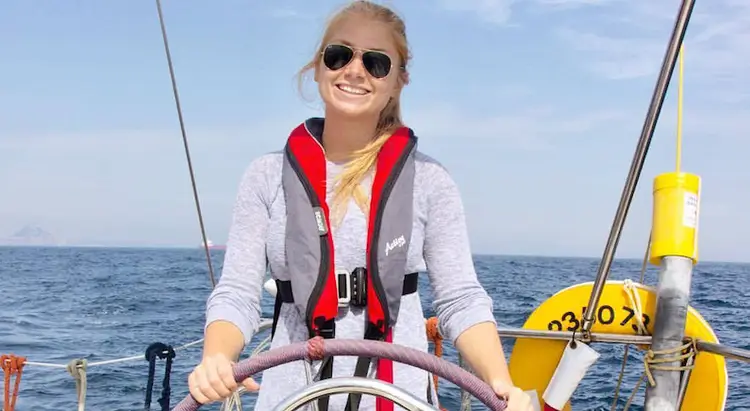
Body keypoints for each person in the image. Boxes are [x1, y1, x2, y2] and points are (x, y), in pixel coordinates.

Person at [187, 1, 533, 411]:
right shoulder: (265, 175)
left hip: (399, 398)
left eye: (376, 62)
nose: (354, 70)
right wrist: (216, 358)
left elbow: (461, 298)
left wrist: (501, 383)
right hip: (291, 398)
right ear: (318, 68)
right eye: (339, 55)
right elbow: (237, 293)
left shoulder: (430, 181)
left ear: (399, 80)